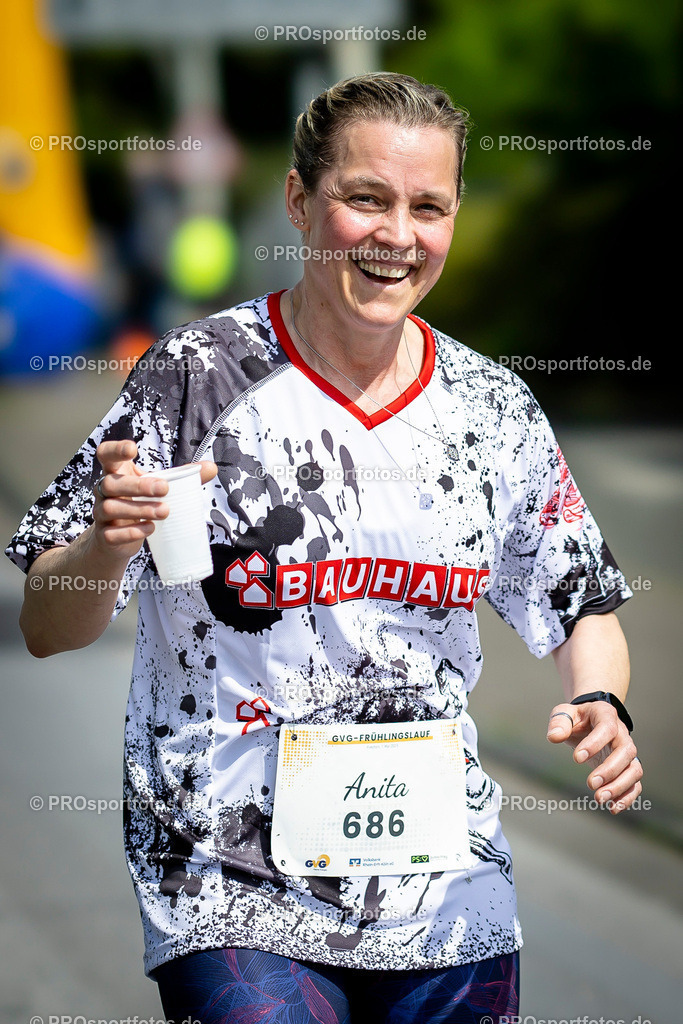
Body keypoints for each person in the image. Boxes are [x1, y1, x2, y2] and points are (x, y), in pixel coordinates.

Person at [7, 72, 642, 1023]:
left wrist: (598, 701)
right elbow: (49, 627)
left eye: (427, 207)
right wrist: (106, 539)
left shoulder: (491, 408)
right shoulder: (196, 375)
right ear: (300, 202)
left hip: (445, 896)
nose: (398, 235)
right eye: (365, 198)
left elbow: (580, 597)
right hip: (229, 884)